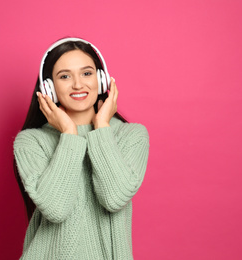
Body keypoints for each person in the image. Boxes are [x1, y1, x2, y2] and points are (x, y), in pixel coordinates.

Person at [13, 37, 149, 259]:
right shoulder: (31, 141)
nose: (78, 84)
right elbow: (56, 208)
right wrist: (69, 133)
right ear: (49, 87)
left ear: (102, 79)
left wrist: (101, 127)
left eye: (87, 73)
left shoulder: (131, 135)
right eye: (65, 76)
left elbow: (114, 198)